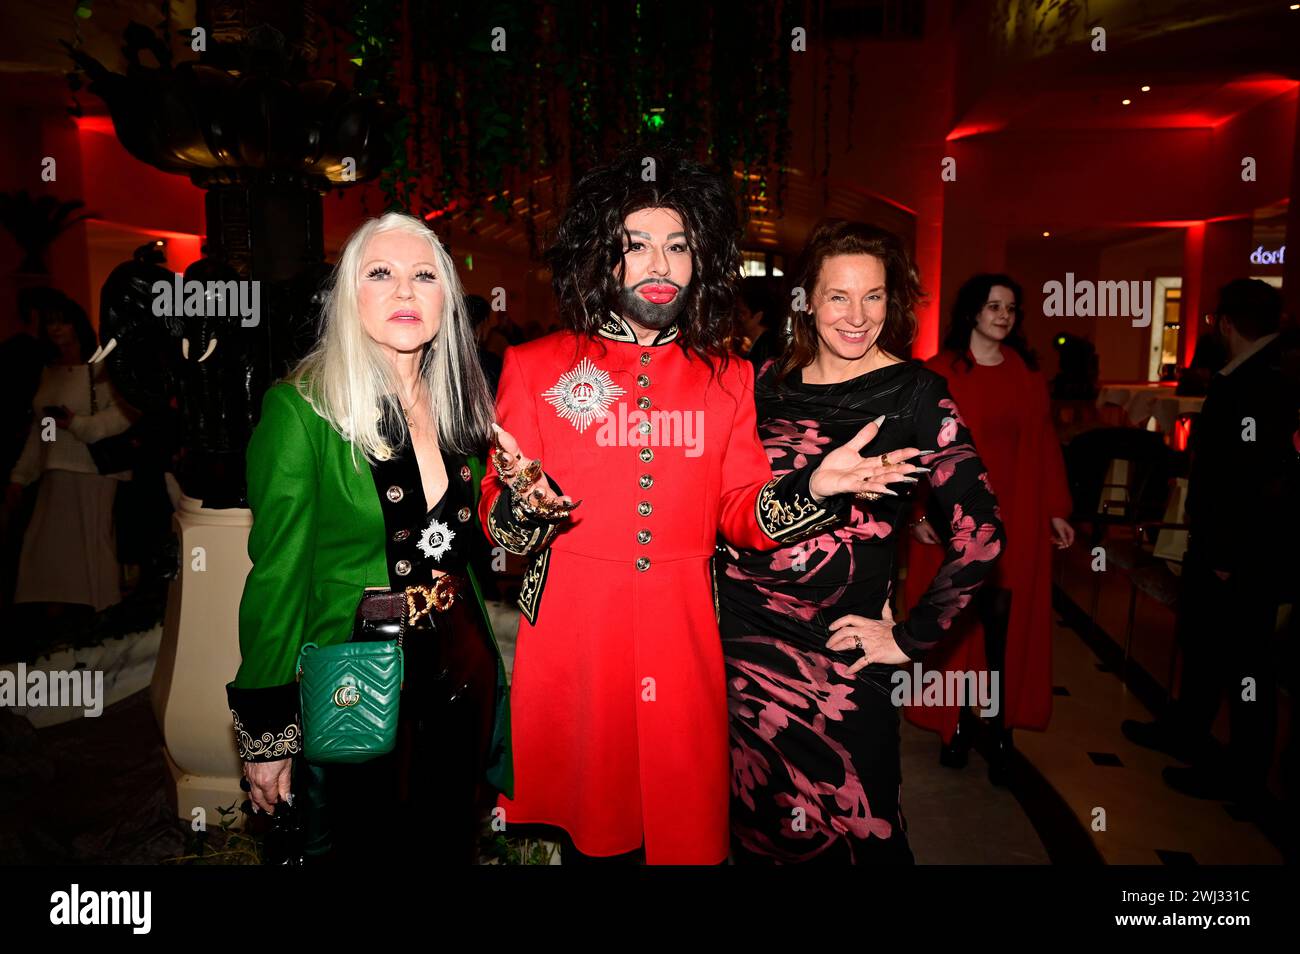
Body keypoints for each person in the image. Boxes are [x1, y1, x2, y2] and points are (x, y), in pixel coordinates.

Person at [480, 150, 921, 865]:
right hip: (574, 639)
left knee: (685, 833)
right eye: (638, 243)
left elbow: (739, 513)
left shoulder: (727, 378)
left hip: (684, 641)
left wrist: (813, 487)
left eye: (678, 245)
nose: (661, 262)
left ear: (700, 260)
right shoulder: (537, 368)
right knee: (594, 834)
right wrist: (527, 510)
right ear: (604, 257)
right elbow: (498, 519)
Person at [716, 221, 1006, 863]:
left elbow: (982, 536)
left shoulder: (918, 395)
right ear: (808, 301)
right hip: (742, 647)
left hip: (842, 656)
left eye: (873, 296)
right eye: (838, 296)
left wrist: (907, 638)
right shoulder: (761, 383)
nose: (857, 316)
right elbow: (720, 504)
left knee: (859, 827)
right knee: (759, 828)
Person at [228, 212, 513, 863]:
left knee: (444, 845)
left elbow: (466, 541)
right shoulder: (300, 411)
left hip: (459, 663)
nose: (405, 292)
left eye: (424, 276)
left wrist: (523, 508)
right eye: (380, 273)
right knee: (360, 850)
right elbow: (277, 576)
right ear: (348, 296)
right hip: (354, 678)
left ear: (448, 298)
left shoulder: (461, 407)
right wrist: (268, 733)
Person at [1123, 278, 1299, 805]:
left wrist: (1226, 552)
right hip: (1232, 542)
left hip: (1242, 549)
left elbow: (1252, 477)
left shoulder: (1260, 382)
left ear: (1225, 324)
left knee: (1244, 663)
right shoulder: (1262, 375)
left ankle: (1241, 778)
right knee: (1202, 645)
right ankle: (1185, 730)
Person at [904, 274, 1074, 784]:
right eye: (994, 306)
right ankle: (954, 722)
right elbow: (914, 449)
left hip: (1015, 516)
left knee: (1004, 627)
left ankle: (999, 728)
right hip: (954, 518)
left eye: (1012, 308)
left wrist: (1055, 509)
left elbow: (1044, 445)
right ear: (973, 313)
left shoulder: (1027, 376)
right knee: (957, 623)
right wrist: (915, 514)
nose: (1004, 315)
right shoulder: (938, 373)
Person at [4, 293, 135, 627]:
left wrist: (77, 424)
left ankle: (103, 613)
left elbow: (123, 415)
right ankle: (63, 611)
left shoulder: (100, 367)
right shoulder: (50, 372)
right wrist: (23, 475)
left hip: (94, 469)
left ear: (76, 323)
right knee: (50, 546)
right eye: (49, 323)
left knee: (92, 542)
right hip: (57, 469)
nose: (55, 329)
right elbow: (44, 432)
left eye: (61, 321)